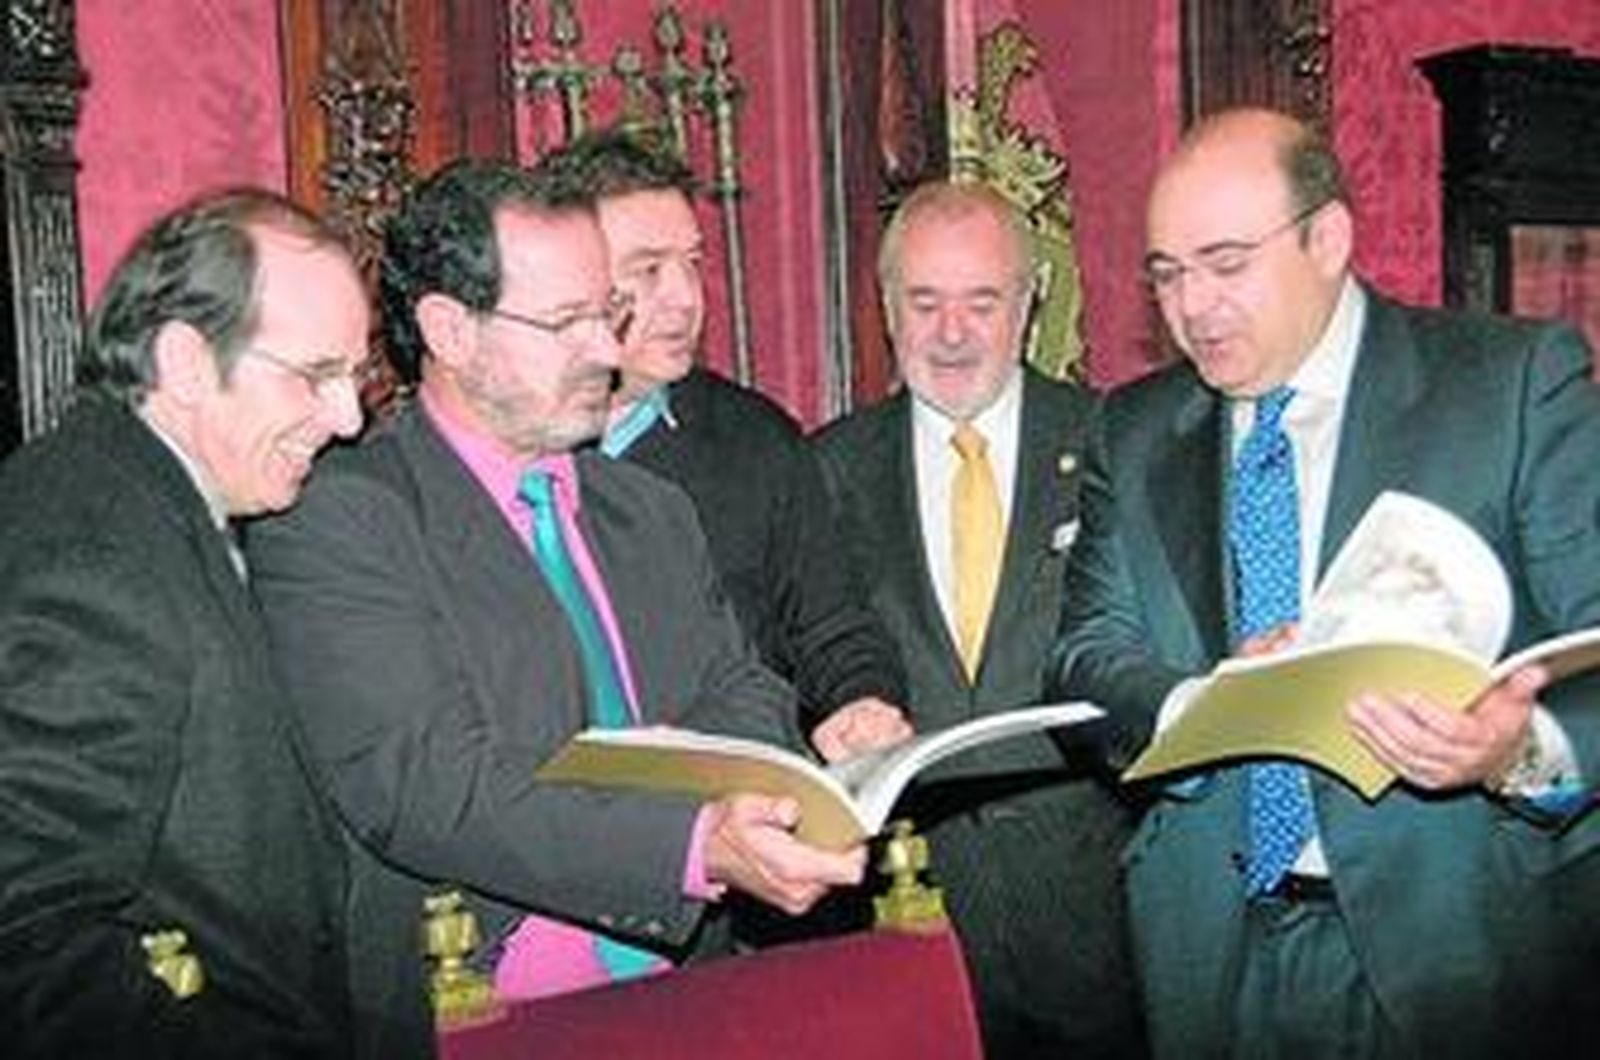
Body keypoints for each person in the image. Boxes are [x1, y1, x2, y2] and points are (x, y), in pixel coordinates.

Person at [246, 158, 865, 1058]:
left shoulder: (648, 509)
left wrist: (756, 806)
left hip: (695, 989)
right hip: (478, 1016)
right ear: (449, 330)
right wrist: (689, 841)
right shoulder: (344, 517)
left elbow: (747, 690)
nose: (610, 353)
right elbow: (427, 785)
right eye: (568, 322)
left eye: (608, 315)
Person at [1049, 106, 1600, 1058]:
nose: (1194, 309)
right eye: (1168, 275)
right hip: (1211, 950)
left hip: (1462, 950)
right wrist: (1212, 702)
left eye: (1227, 265)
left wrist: (1513, 752)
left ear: (1329, 238)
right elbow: (1084, 659)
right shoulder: (1129, 431)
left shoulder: (1509, 384)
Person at [0, 189, 369, 1058]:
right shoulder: (93, 555)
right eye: (317, 375)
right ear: (185, 361)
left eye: (356, 376)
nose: (349, 417)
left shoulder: (131, 500)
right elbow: (25, 934)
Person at [814, 180, 1146, 1060]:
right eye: (924, 302)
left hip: (1100, 939)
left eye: (981, 301)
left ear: (1029, 305)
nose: (951, 333)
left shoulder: (1120, 443)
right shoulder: (824, 471)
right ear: (887, 308)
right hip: (901, 925)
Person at [536, 128, 912, 763]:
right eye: (649, 270)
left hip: (732, 810)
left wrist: (862, 702)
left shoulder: (757, 439)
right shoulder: (512, 447)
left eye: (693, 264)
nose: (687, 298)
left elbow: (830, 627)